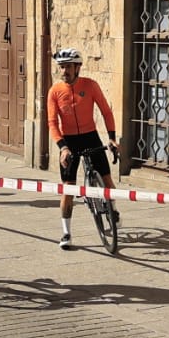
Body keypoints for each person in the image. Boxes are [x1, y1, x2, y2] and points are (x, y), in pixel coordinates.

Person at [46, 47, 119, 250]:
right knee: (68, 188)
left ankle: (113, 210)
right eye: (61, 67)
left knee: (106, 179)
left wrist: (112, 138)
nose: (64, 71)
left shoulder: (90, 85)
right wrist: (62, 148)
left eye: (68, 67)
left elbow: (106, 111)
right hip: (69, 141)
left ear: (77, 67)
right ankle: (66, 232)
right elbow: (52, 123)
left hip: (91, 137)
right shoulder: (55, 91)